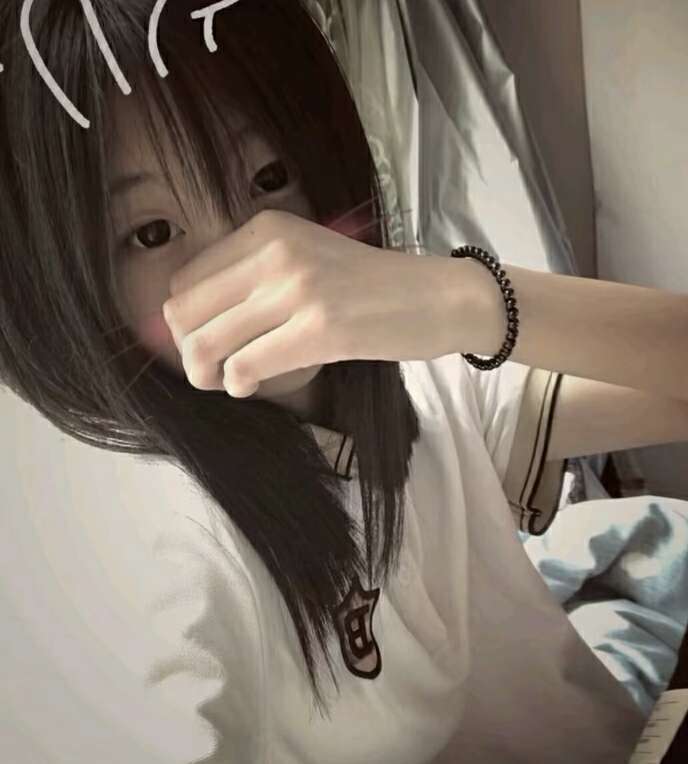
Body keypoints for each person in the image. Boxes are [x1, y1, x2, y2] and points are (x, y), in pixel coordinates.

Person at [1, 1, 687, 761]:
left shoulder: (417, 382)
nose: (254, 260)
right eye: (152, 233)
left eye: (269, 178)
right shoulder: (164, 554)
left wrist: (461, 298)